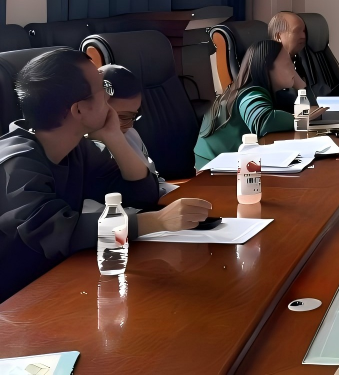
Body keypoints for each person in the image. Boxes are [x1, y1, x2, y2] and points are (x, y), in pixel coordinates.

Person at [0, 49, 211, 302]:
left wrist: (114, 136)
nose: (109, 98)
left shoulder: (77, 149)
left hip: (59, 282)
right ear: (79, 110)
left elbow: (142, 195)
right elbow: (59, 233)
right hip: (16, 302)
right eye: (103, 89)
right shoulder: (15, 163)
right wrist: (156, 221)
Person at [194, 40, 303, 170]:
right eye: (287, 64)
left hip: (222, 165)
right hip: (211, 170)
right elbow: (263, 121)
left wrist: (300, 87)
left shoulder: (246, 90)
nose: (293, 68)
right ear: (267, 67)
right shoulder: (251, 93)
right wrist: (298, 119)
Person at [98, 64, 177, 198]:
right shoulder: (84, 150)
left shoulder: (131, 135)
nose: (128, 124)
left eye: (131, 116)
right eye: (121, 116)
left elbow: (156, 181)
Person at [267, 11, 310, 109]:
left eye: (304, 31)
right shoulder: (271, 65)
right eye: (296, 31)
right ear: (278, 36)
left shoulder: (299, 59)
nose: (303, 36)